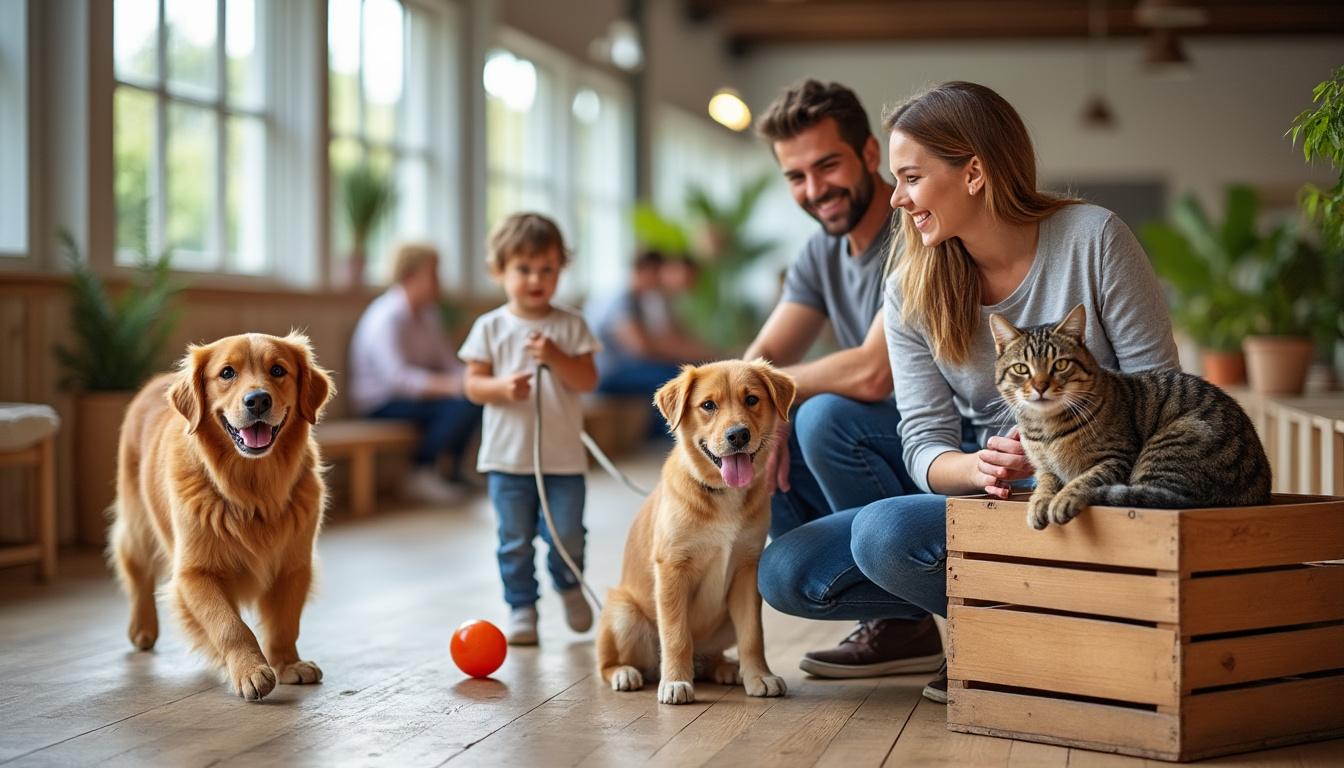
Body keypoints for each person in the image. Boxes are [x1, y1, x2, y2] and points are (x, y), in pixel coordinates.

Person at [756, 81, 1180, 703]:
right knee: (787, 572)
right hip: (993, 494)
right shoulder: (910, 285)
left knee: (882, 532)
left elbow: (1162, 396)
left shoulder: (1094, 239)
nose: (896, 198)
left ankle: (1010, 636)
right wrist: (977, 466)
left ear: (974, 173)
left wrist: (1052, 458)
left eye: (910, 178)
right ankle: (1010, 623)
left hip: (1097, 490)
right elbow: (923, 442)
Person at [747, 79, 927, 679]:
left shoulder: (917, 232)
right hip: (884, 450)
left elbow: (875, 371)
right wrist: (751, 410)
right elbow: (763, 356)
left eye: (827, 166)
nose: (814, 189)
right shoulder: (821, 255)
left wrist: (774, 400)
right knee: (760, 435)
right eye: (796, 177)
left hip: (941, 452)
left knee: (820, 416)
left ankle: (908, 610)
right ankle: (902, 624)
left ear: (870, 156)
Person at [458, 212, 601, 646]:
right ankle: (522, 606)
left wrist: (556, 356)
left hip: (563, 459)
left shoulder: (570, 324)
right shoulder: (491, 326)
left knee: (567, 533)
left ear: (561, 270)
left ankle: (569, 583)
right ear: (498, 270)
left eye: (547, 269)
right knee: (514, 539)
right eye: (523, 269)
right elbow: (472, 386)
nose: (536, 279)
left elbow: (588, 381)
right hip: (508, 458)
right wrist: (501, 387)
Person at [349, 242, 483, 504]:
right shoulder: (385, 317)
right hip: (380, 403)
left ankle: (452, 472)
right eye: (433, 274)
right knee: (459, 403)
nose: (439, 282)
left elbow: (446, 362)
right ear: (410, 276)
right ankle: (420, 472)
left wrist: (475, 377)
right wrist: (453, 385)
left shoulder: (428, 316)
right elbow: (396, 379)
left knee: (474, 397)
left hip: (412, 398)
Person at [587, 249, 716, 401]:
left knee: (678, 375)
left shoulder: (638, 300)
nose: (660, 280)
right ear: (646, 271)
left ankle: (660, 425)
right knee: (673, 380)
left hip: (625, 370)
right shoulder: (620, 300)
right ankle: (670, 425)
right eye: (657, 273)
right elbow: (641, 347)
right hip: (607, 376)